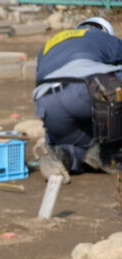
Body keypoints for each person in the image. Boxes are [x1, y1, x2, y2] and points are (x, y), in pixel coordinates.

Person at [33, 17, 122, 179]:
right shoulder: (99, 36)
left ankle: (61, 155)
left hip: (47, 104)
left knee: (78, 146)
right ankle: (110, 150)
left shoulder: (48, 46)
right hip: (82, 90)